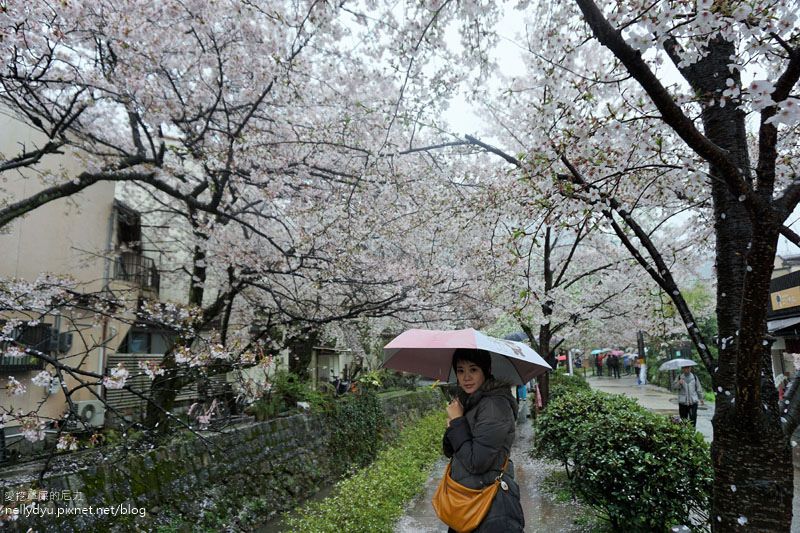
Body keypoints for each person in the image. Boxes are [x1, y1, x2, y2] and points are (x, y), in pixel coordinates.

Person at [442, 349, 525, 532]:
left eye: (473, 369)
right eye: (461, 370)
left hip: (489, 503)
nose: (466, 377)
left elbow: (477, 462)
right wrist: (455, 424)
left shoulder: (495, 406)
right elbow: (449, 451)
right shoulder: (470, 402)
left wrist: (457, 422)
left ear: (486, 370)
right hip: (467, 498)